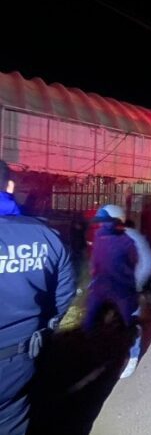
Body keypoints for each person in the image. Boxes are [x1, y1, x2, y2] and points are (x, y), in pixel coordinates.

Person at [0, 161, 76, 435]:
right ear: (9, 186)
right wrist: (43, 330)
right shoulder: (45, 235)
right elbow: (64, 295)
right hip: (19, 365)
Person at [83, 204, 142, 379]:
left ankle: (133, 356)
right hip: (100, 286)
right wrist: (94, 274)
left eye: (105, 221)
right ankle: (98, 354)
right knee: (89, 322)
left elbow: (134, 263)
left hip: (122, 288)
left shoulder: (127, 240)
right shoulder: (99, 236)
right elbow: (95, 260)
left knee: (130, 323)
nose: (101, 225)